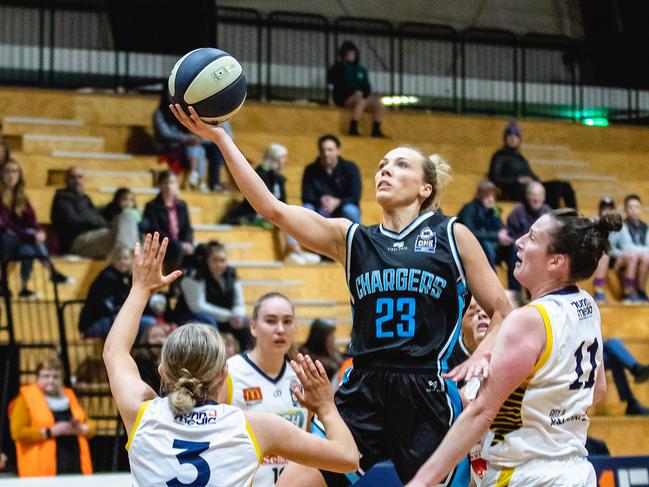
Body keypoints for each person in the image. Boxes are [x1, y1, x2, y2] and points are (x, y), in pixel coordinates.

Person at [170, 104, 513, 486]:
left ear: (424, 188)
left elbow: (503, 309)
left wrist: (482, 356)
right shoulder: (352, 239)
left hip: (426, 391)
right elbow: (272, 209)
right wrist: (221, 138)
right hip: (363, 387)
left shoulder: (453, 235)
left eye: (401, 165)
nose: (385, 169)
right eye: (383, 163)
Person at [102, 233, 359, 487]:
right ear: (224, 373)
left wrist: (140, 289)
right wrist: (326, 406)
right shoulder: (254, 426)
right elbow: (348, 459)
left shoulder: (141, 413)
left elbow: (114, 352)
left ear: (163, 372)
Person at [407, 208, 620, 487]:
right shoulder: (587, 306)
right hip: (577, 471)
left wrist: (421, 482)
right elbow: (598, 390)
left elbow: (481, 413)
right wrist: (549, 416)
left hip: (527, 474)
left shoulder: (528, 319)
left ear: (556, 262)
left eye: (532, 238)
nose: (519, 242)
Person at [223, 292, 308, 485]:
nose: (280, 329)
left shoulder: (302, 377)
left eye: (287, 321)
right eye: (271, 321)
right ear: (253, 327)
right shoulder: (229, 373)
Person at [221, 143, 320, 264]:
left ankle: (295, 251)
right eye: (283, 158)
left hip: (269, 213)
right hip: (253, 213)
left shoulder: (279, 178)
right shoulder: (260, 173)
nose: (286, 161)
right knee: (283, 218)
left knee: (290, 215)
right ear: (276, 159)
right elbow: (257, 200)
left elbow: (284, 202)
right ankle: (295, 251)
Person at [9, 358, 95, 477]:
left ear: (62, 379)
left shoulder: (69, 396)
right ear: (37, 378)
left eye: (55, 377)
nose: (51, 380)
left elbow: (90, 425)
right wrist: (51, 432)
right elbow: (17, 432)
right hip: (41, 472)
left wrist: (80, 428)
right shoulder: (26, 398)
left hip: (75, 466)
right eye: (46, 376)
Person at [1, 160, 70, 298]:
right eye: (7, 171)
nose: (11, 175)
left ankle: (24, 288)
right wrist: (31, 236)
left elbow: (31, 222)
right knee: (12, 238)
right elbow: (7, 226)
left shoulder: (22, 197)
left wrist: (39, 232)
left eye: (15, 171)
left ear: (19, 175)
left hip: (20, 241)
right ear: (1, 175)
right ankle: (52, 272)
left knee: (29, 250)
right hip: (5, 240)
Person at [173, 240, 251, 350]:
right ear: (206, 260)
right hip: (192, 317)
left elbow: (238, 302)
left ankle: (245, 360)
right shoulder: (194, 275)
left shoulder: (231, 274)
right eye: (215, 260)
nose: (219, 264)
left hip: (225, 318)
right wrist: (229, 316)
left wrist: (237, 317)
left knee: (246, 327)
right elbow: (198, 307)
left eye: (222, 260)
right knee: (208, 323)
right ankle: (211, 360)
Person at [51, 166, 139, 258]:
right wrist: (102, 223)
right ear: (66, 180)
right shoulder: (62, 199)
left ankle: (126, 257)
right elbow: (74, 221)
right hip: (78, 242)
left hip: (96, 237)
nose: (77, 181)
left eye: (80, 177)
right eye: (73, 177)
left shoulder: (85, 199)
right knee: (125, 233)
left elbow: (94, 216)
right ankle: (128, 259)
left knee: (127, 216)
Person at [488, 121, 576, 209]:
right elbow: (494, 178)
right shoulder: (499, 156)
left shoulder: (520, 157)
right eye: (510, 136)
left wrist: (534, 179)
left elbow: (531, 174)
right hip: (514, 190)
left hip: (530, 187)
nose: (513, 139)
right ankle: (553, 219)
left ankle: (574, 218)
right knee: (554, 190)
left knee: (563, 185)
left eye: (516, 136)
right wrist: (517, 180)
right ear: (505, 138)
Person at [153, 90, 229, 192]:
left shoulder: (185, 110)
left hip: (190, 141)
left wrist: (198, 138)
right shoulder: (160, 113)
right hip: (169, 144)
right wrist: (187, 138)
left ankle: (210, 182)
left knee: (214, 148)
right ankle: (197, 178)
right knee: (195, 147)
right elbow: (165, 135)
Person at [78, 246, 157, 339]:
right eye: (119, 258)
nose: (122, 262)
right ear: (113, 260)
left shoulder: (125, 277)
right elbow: (105, 306)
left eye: (126, 258)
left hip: (112, 319)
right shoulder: (107, 276)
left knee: (149, 322)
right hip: (95, 323)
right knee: (149, 323)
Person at [327, 41, 385, 137]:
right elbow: (336, 82)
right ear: (343, 54)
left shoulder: (361, 70)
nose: (351, 55)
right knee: (361, 101)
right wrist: (353, 91)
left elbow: (366, 86)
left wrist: (367, 93)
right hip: (345, 97)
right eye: (348, 53)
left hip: (360, 96)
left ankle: (376, 129)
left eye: (353, 53)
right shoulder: (339, 67)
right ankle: (353, 127)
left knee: (378, 103)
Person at [141, 170, 194, 272]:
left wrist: (189, 243)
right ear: (160, 185)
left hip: (181, 243)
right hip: (163, 244)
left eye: (172, 182)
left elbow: (187, 227)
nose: (169, 186)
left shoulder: (182, 205)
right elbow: (155, 229)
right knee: (178, 249)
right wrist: (179, 244)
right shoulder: (152, 206)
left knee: (202, 250)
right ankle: (173, 285)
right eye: (166, 182)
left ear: (177, 185)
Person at [302, 134, 362, 224]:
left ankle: (357, 237)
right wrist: (320, 201)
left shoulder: (351, 168)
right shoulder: (310, 170)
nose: (326, 154)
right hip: (319, 208)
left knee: (350, 210)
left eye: (330, 150)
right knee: (306, 209)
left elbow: (355, 196)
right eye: (323, 150)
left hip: (343, 207)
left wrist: (338, 202)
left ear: (338, 151)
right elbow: (306, 196)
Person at [457, 180, 513, 270]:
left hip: (488, 243)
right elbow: (469, 233)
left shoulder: (493, 209)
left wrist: (505, 234)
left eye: (493, 196)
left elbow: (500, 227)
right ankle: (490, 281)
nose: (491, 199)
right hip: (469, 246)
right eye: (487, 196)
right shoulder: (469, 209)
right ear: (479, 196)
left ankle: (515, 282)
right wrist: (497, 235)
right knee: (487, 246)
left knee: (511, 245)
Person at [506, 181, 552, 291]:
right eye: (533, 195)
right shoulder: (518, 211)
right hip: (521, 249)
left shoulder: (549, 213)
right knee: (514, 250)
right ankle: (515, 292)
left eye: (539, 196)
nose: (536, 199)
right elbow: (511, 235)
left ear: (544, 198)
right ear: (527, 196)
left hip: (542, 249)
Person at [609, 194, 649, 303]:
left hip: (640, 259)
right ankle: (628, 291)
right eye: (630, 207)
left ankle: (641, 291)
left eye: (636, 207)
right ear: (626, 209)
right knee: (633, 255)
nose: (634, 210)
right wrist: (622, 253)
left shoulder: (646, 227)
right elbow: (608, 246)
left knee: (646, 257)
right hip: (623, 261)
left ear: (641, 209)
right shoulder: (621, 226)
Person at [603, 338, 649, 416]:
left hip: (595, 355)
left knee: (615, 358)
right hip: (582, 358)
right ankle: (636, 369)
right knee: (611, 344)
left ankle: (636, 369)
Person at [591, 197, 617, 303]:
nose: (607, 211)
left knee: (606, 253)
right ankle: (599, 290)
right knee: (604, 254)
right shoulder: (593, 222)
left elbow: (624, 246)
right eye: (604, 208)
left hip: (615, 257)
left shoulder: (618, 225)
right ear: (600, 210)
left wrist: (611, 251)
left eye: (610, 209)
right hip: (597, 255)